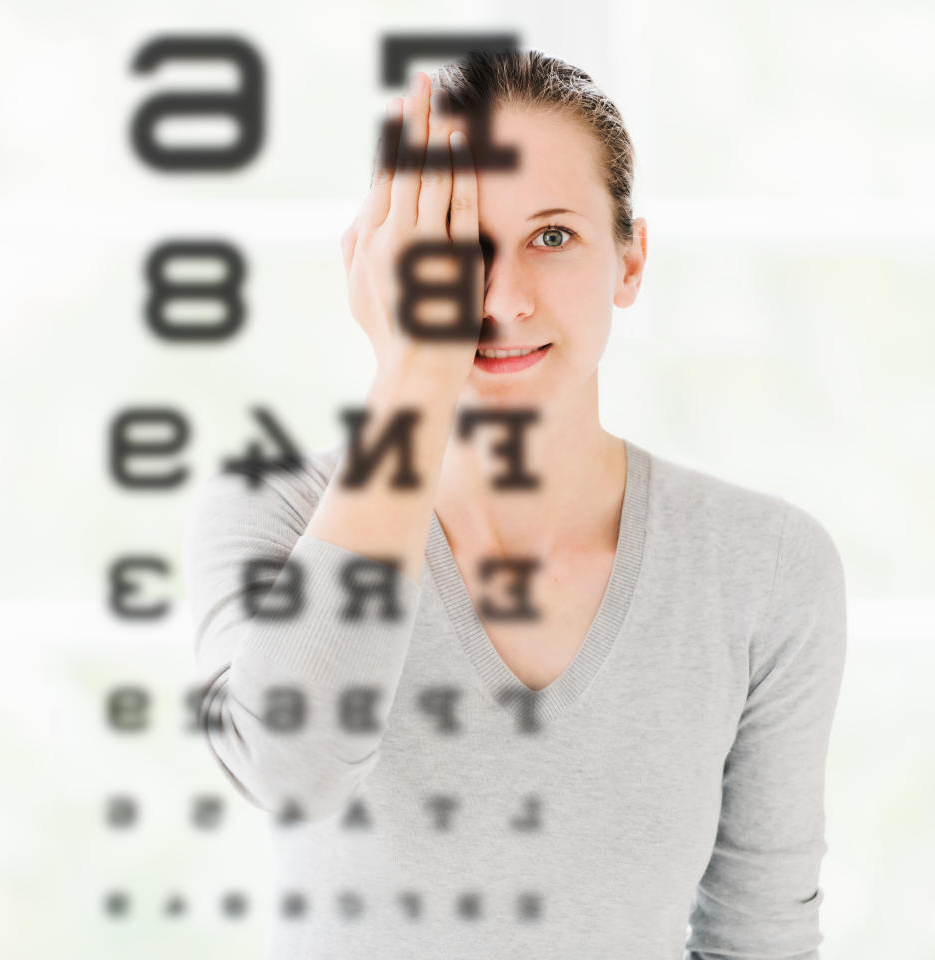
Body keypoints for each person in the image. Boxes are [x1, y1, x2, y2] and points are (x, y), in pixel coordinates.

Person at [183, 48, 847, 960]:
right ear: (377, 270)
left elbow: (760, 933)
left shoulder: (765, 565)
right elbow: (293, 772)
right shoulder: (276, 517)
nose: (498, 301)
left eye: (552, 237)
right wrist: (412, 374)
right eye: (453, 249)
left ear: (630, 258)